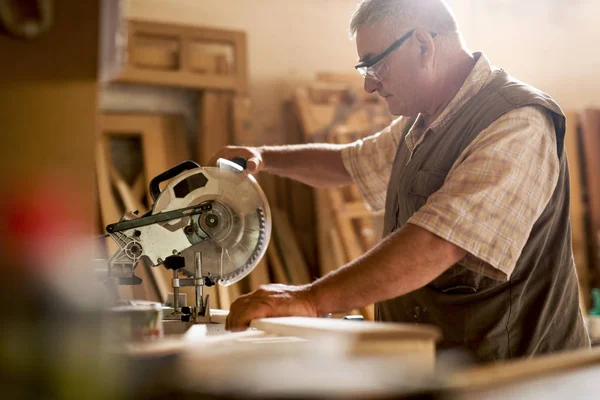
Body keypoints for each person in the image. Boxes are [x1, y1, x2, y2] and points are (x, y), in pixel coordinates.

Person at [211, 0, 590, 361]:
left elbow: (438, 242)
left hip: (520, 378)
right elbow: (348, 164)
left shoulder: (516, 122)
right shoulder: (421, 123)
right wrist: (265, 157)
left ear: (423, 44)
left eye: (375, 66)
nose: (369, 87)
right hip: (441, 366)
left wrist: (310, 298)